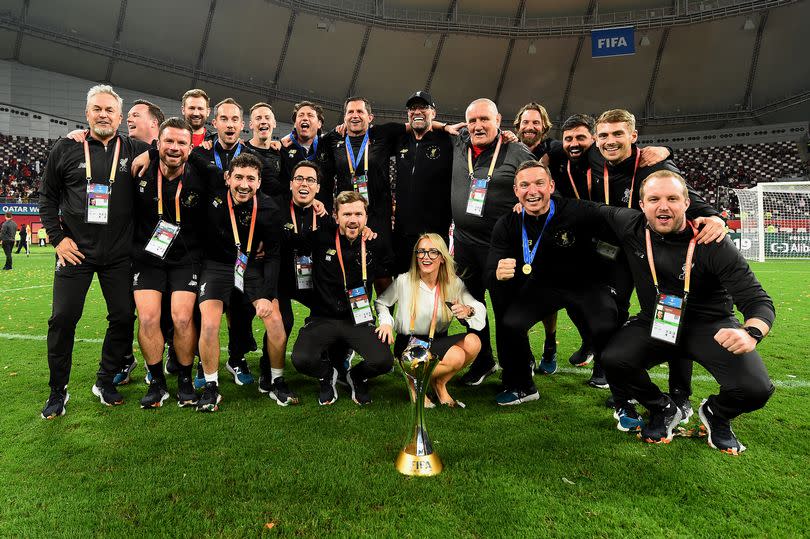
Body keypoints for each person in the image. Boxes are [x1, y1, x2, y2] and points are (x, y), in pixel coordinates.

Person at [599, 171, 774, 454]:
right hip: (660, 319)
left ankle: (717, 413)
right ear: (642, 205)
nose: (663, 206)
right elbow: (584, 209)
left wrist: (752, 332)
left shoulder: (712, 241)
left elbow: (757, 299)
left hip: (711, 324)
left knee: (755, 390)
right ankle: (663, 408)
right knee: (613, 359)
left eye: (672, 198)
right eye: (654, 199)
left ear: (686, 203)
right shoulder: (630, 225)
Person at [39, 84, 150, 418]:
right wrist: (58, 238)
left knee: (122, 316)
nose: (104, 115)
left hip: (119, 254)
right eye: (97, 109)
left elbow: (176, 145)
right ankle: (58, 391)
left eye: (110, 110)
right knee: (62, 319)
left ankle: (105, 379)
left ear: (119, 116)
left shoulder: (134, 148)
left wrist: (154, 150)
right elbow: (47, 197)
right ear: (87, 113)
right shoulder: (65, 147)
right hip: (76, 252)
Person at [487, 161, 620, 405]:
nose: (532, 191)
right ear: (516, 191)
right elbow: (492, 262)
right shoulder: (507, 222)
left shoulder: (577, 210)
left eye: (539, 183)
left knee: (606, 321)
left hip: (583, 285)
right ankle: (523, 387)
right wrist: (497, 270)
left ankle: (623, 393)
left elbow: (612, 215)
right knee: (511, 323)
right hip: (543, 286)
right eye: (524, 185)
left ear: (551, 186)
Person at [196, 153, 295, 411]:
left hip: (250, 265)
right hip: (216, 265)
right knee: (209, 324)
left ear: (259, 182)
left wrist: (266, 293)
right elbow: (191, 157)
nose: (244, 184)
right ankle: (211, 386)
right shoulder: (214, 190)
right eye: (238, 177)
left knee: (275, 322)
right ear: (227, 177)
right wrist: (152, 151)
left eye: (251, 179)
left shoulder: (269, 209)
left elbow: (273, 255)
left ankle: (277, 381)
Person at [450, 98, 535, 386]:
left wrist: (528, 202)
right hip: (464, 245)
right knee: (467, 306)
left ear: (499, 121)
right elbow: (431, 124)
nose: (477, 126)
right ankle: (484, 360)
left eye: (484, 119)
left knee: (505, 311)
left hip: (501, 248)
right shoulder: (461, 141)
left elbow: (541, 183)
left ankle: (518, 373)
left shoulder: (516, 150)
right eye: (472, 121)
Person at [290, 190, 394, 406]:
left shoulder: (376, 243)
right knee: (301, 359)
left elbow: (387, 287)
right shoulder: (321, 238)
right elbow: (292, 238)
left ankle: (355, 376)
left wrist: (386, 320)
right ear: (336, 217)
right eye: (347, 215)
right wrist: (308, 204)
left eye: (358, 214)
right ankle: (328, 374)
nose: (353, 220)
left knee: (383, 361)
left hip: (358, 319)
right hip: (323, 318)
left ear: (366, 217)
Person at [130, 117, 207, 409]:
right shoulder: (140, 170)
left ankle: (185, 380)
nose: (174, 148)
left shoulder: (201, 174)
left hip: (185, 259)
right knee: (148, 318)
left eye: (181, 143)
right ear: (158, 143)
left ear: (190, 147)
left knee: (182, 317)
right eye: (169, 141)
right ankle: (156, 382)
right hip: (148, 258)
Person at [374, 233, 484, 407]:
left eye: (433, 252)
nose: (426, 257)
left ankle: (439, 383)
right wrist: (386, 322)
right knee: (456, 356)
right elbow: (381, 303)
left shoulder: (453, 283)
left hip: (436, 340)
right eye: (421, 252)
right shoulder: (404, 281)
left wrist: (468, 310)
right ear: (416, 256)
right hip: (410, 344)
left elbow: (478, 309)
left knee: (474, 342)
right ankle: (413, 382)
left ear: (442, 258)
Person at [390, 91, 455, 274]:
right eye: (412, 108)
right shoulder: (400, 140)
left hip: (435, 234)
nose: (417, 111)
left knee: (434, 288)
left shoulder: (447, 141)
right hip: (402, 234)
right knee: (403, 286)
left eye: (423, 107)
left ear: (433, 112)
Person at [279, 101, 336, 213]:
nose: (305, 118)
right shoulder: (282, 149)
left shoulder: (329, 146)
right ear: (295, 123)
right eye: (301, 115)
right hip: (289, 214)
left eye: (310, 115)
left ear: (319, 124)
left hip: (323, 215)